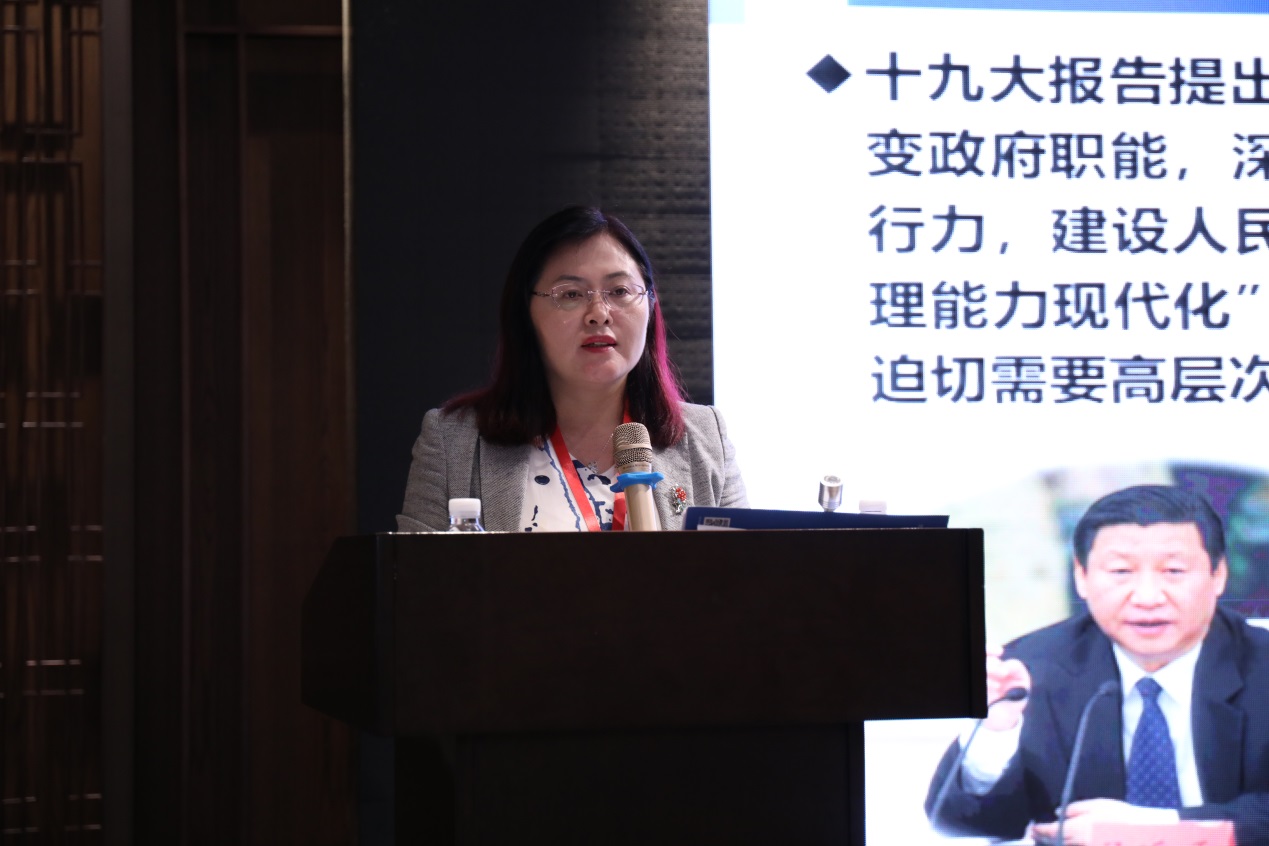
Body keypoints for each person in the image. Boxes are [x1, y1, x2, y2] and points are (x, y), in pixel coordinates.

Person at [926, 484, 1269, 846]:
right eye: (1121, 571)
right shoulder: (1032, 671)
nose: (1148, 597)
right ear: (1082, 577)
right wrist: (996, 732)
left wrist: (1160, 829)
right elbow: (963, 822)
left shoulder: (1262, 667)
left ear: (1218, 575)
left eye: (1173, 570)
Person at [397, 206, 747, 533]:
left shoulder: (705, 438)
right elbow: (414, 575)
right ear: (525, 314)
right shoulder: (453, 443)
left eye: (620, 290)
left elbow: (744, 572)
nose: (599, 313)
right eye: (570, 294)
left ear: (651, 305)